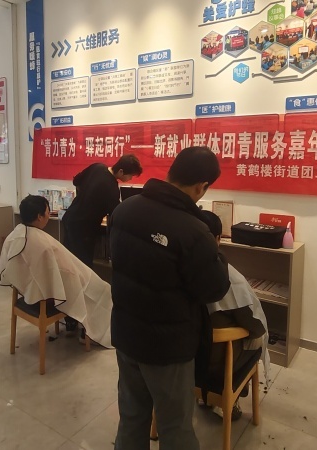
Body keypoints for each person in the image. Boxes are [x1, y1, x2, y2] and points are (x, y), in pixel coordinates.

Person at [109, 146, 231, 450]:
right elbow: (214, 289)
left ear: (171, 171)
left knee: (131, 417)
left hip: (126, 334)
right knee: (175, 427)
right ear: (202, 187)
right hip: (167, 348)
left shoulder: (124, 210)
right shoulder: (195, 232)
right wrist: (218, 256)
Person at [0, 195, 113, 347]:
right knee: (102, 290)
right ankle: (90, 332)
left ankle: (72, 323)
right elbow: (68, 270)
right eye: (47, 212)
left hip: (29, 290)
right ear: (39, 217)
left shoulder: (14, 236)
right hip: (47, 295)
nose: (48, 215)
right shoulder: (43, 244)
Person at [199, 211, 271, 421]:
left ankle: (205, 397)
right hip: (214, 362)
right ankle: (229, 401)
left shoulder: (173, 266)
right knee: (256, 340)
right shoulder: (229, 278)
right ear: (217, 239)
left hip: (182, 353)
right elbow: (255, 326)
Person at [61, 154, 142, 334]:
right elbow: (117, 215)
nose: (130, 180)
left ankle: (69, 317)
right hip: (83, 231)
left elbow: (76, 181)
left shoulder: (97, 166)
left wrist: (85, 199)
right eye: (130, 176)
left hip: (70, 220)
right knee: (84, 274)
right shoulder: (112, 189)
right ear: (121, 171)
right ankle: (82, 321)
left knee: (69, 270)